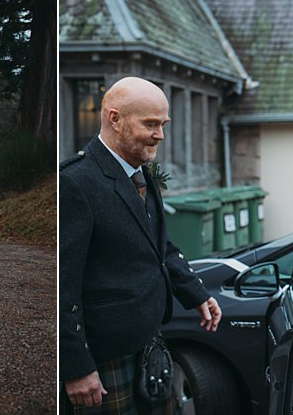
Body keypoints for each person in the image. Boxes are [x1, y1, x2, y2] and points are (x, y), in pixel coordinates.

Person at [59, 77, 221, 414]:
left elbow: (157, 243)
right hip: (104, 359)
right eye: (150, 124)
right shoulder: (75, 183)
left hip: (149, 342)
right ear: (115, 119)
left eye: (162, 124)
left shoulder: (139, 172)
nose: (160, 134)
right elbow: (63, 284)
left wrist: (196, 292)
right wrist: (76, 367)